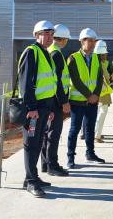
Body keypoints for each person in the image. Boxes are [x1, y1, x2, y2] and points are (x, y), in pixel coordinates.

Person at [18, 20, 57, 197]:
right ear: (36, 35)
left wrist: (48, 109)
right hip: (34, 109)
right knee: (31, 144)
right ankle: (31, 182)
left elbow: (47, 82)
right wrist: (31, 108)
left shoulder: (45, 53)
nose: (49, 36)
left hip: (44, 107)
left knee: (38, 142)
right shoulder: (31, 52)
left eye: (51, 34)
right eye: (46, 33)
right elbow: (26, 84)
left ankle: (32, 177)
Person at [66, 28, 105, 169]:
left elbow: (99, 78)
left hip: (92, 102)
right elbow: (75, 80)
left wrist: (95, 95)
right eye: (90, 41)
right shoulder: (73, 58)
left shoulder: (96, 57)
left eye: (94, 41)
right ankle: (70, 157)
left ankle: (90, 154)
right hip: (77, 101)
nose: (93, 43)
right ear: (82, 41)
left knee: (90, 129)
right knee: (74, 130)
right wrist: (90, 95)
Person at [41, 24, 72, 177]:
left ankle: (46, 165)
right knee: (54, 133)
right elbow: (58, 81)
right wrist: (64, 101)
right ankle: (52, 165)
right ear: (64, 39)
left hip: (49, 99)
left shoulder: (50, 51)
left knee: (48, 133)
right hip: (55, 102)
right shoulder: (57, 54)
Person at [94, 40, 113, 143]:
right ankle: (97, 135)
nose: (106, 55)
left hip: (102, 91)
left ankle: (97, 133)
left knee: (100, 112)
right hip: (102, 91)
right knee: (102, 112)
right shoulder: (98, 64)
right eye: (104, 53)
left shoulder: (102, 62)